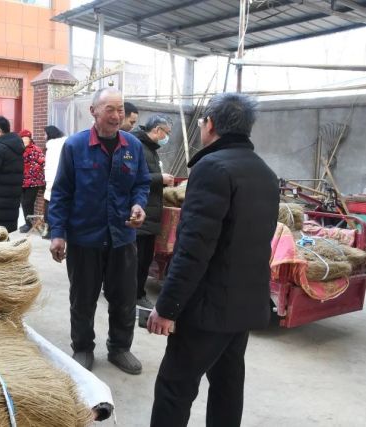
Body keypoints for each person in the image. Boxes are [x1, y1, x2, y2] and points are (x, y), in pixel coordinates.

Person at [147, 93, 279, 427]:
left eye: (204, 121)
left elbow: (193, 249)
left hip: (208, 309)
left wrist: (167, 307)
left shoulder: (211, 168)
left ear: (211, 125)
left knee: (174, 387)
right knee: (227, 385)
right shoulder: (264, 172)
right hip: (244, 306)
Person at [48, 88, 151, 375]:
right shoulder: (75, 146)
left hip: (123, 237)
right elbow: (61, 193)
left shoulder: (132, 146)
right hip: (85, 238)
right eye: (110, 109)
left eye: (120, 109)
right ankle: (82, 347)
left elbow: (141, 183)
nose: (117, 115)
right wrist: (58, 233)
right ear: (93, 111)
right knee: (83, 297)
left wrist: (139, 205)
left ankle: (120, 348)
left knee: (124, 298)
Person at [130, 116, 174, 312]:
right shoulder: (138, 146)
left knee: (144, 258)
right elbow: (132, 177)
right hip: (142, 212)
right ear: (157, 130)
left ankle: (136, 293)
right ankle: (135, 295)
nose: (167, 138)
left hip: (150, 211)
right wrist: (160, 178)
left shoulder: (150, 149)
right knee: (138, 259)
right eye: (167, 133)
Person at [18, 129, 45, 233]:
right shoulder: (19, 149)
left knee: (28, 203)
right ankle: (27, 223)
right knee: (23, 203)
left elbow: (42, 162)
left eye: (27, 138)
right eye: (23, 138)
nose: (25, 140)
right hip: (22, 180)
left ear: (30, 139)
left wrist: (33, 169)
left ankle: (29, 224)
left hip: (33, 181)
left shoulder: (35, 149)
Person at [42, 125, 66, 239]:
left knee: (50, 205)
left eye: (45, 134)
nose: (44, 136)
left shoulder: (52, 146)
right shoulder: (65, 143)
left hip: (53, 181)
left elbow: (51, 166)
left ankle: (52, 231)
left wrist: (49, 184)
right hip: (63, 179)